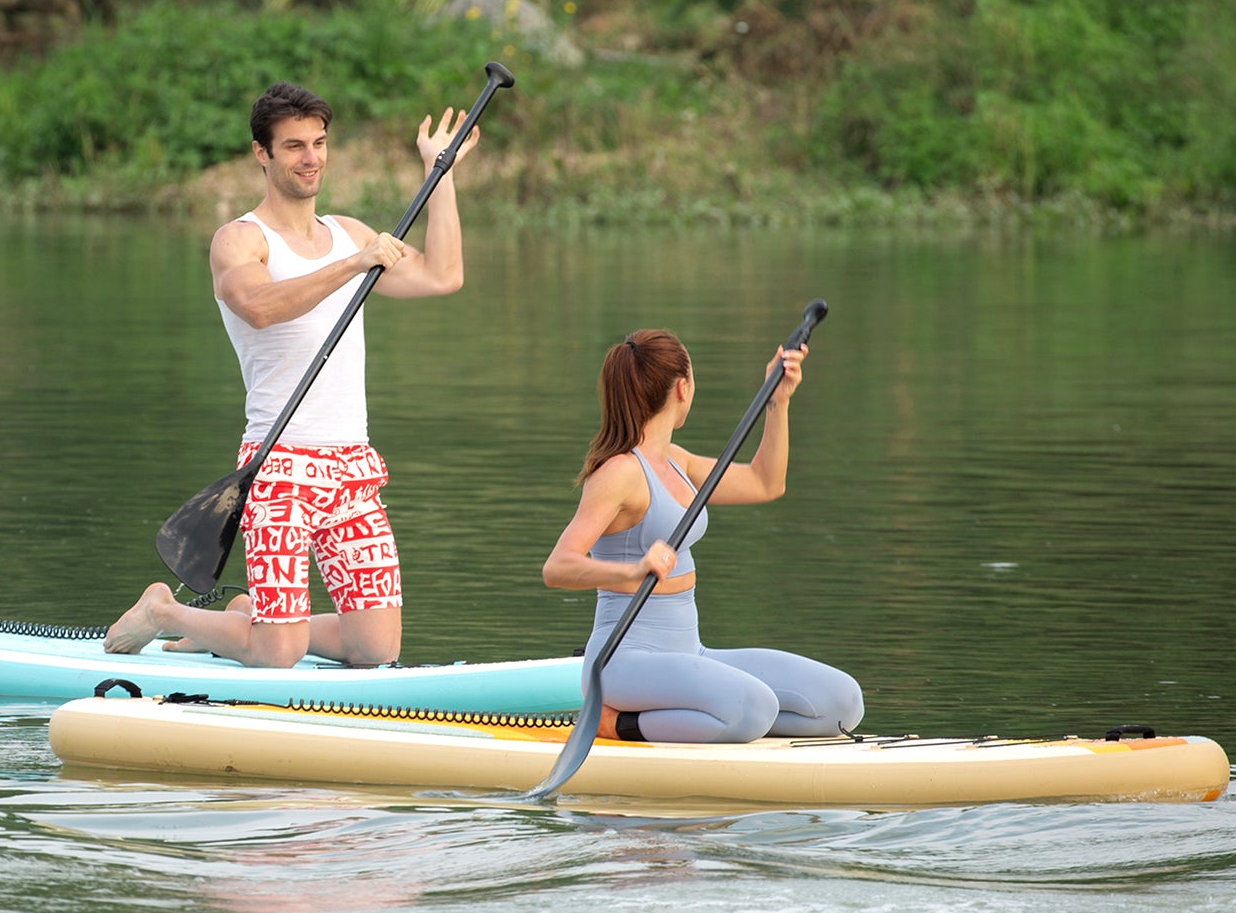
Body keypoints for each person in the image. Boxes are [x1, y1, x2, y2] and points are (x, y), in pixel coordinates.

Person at [106, 80, 476, 668]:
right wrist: (355, 265)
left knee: (375, 649)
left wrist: (442, 172)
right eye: (295, 146)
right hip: (279, 468)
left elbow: (443, 276)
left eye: (320, 143)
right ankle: (167, 612)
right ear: (263, 154)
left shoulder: (350, 232)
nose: (311, 159)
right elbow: (260, 306)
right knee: (280, 655)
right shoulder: (240, 240)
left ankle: (240, 622)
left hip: (353, 465)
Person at [542, 328, 863, 743]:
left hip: (690, 653)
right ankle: (616, 724)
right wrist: (632, 572)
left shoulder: (676, 461)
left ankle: (719, 721)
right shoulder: (620, 473)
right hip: (623, 661)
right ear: (682, 388)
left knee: (842, 703)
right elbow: (558, 567)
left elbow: (766, 483)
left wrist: (777, 403)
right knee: (754, 707)